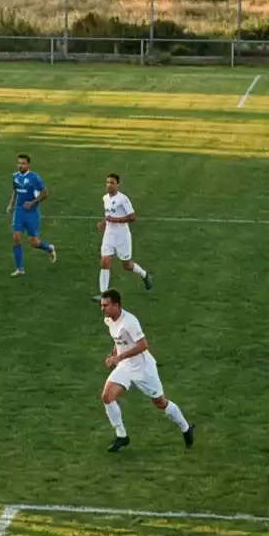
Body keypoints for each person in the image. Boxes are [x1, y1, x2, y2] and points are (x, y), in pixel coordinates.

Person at [95, 290, 192, 452]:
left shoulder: (130, 322)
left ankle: (186, 427)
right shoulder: (109, 320)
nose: (102, 308)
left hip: (143, 368)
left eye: (105, 305)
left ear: (116, 305)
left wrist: (118, 358)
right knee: (107, 396)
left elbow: (142, 345)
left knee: (160, 403)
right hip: (126, 366)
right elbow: (119, 341)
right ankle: (122, 436)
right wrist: (114, 355)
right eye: (102, 305)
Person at [97, 172, 150, 294]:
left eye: (112, 183)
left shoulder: (123, 199)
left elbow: (132, 217)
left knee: (127, 265)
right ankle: (103, 294)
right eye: (107, 182)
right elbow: (109, 214)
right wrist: (103, 222)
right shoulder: (105, 198)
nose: (109, 185)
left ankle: (144, 274)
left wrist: (115, 220)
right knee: (104, 262)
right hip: (109, 235)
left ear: (117, 185)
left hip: (122, 237)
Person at [7, 152, 56, 276]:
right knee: (16, 237)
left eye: (23, 163)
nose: (21, 166)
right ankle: (19, 269)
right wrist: (11, 204)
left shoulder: (34, 178)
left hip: (31, 213)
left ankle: (49, 248)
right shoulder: (15, 176)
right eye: (19, 163)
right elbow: (15, 190)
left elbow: (45, 193)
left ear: (28, 164)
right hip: (19, 211)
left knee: (33, 242)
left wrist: (32, 202)